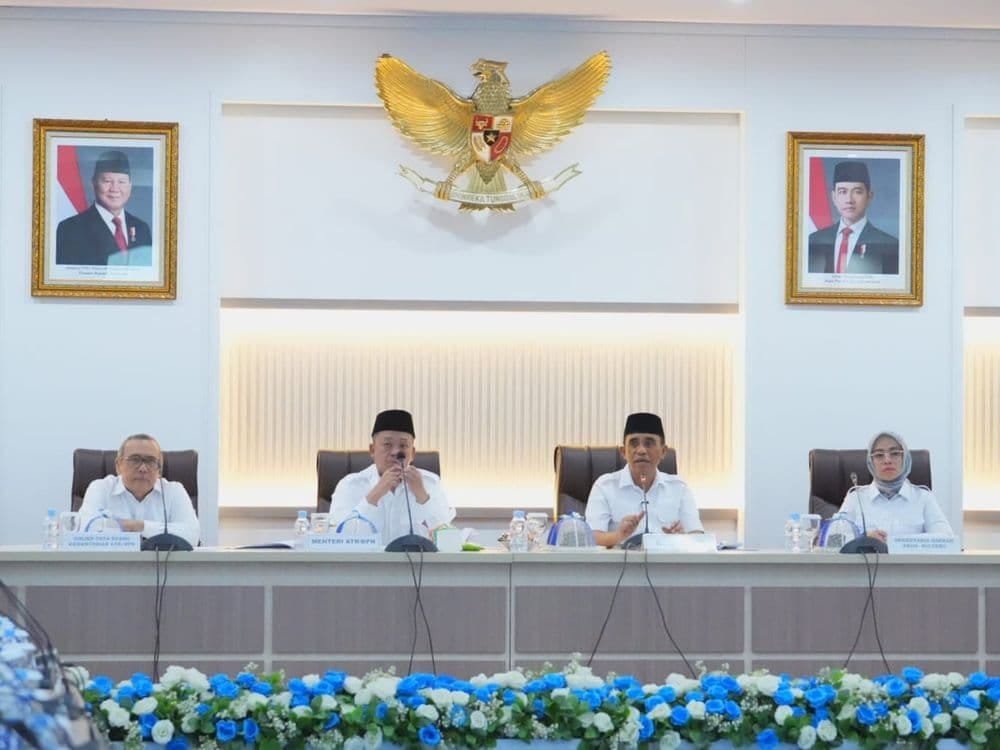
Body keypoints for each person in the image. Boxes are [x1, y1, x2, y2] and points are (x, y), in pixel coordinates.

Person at [329, 409, 453, 542]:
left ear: (412, 453)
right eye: (387, 444)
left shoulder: (430, 483)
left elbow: (448, 538)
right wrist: (375, 494)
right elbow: (340, 538)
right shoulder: (351, 485)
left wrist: (423, 497)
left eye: (403, 445)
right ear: (372, 450)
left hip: (417, 556)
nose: (395, 452)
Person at [585, 412, 703, 548]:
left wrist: (681, 539)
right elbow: (590, 537)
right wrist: (619, 536)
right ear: (623, 452)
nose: (641, 450)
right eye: (634, 444)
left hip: (666, 561)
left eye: (649, 444)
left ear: (663, 451)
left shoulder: (679, 488)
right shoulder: (605, 486)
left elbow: (698, 537)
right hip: (620, 561)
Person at [78, 433, 200, 547]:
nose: (143, 468)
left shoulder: (174, 491)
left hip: (163, 563)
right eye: (135, 460)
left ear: (159, 469)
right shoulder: (101, 488)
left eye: (150, 461)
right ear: (118, 465)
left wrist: (138, 526)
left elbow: (192, 536)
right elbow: (83, 530)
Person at [839, 431, 954, 542]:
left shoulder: (923, 497)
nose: (887, 460)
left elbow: (946, 538)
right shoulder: (856, 498)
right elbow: (833, 539)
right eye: (879, 455)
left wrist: (899, 542)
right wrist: (862, 538)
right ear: (871, 462)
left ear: (905, 458)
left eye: (894, 453)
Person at [55, 150, 152, 266]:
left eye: (122, 182)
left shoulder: (142, 229)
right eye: (107, 181)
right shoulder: (70, 229)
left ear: (130, 185)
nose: (115, 189)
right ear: (94, 183)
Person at [807, 160, 899, 275]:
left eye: (857, 192)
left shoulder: (889, 245)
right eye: (842, 191)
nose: (849, 200)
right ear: (834, 197)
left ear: (869, 196)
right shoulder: (814, 240)